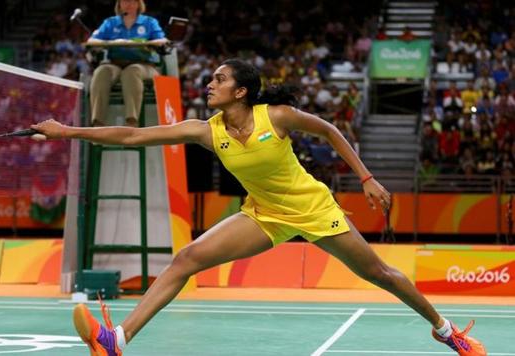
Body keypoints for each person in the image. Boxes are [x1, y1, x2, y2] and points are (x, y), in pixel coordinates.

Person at [32, 59, 487, 356]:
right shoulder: (206, 131)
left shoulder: (279, 117)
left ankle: (447, 331)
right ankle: (117, 341)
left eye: (219, 80)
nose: (210, 84)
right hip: (263, 214)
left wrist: (366, 177)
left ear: (242, 91)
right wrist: (67, 132)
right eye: (211, 79)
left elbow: (329, 130)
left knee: (380, 274)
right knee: (187, 258)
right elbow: (131, 136)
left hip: (313, 209)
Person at [85, 0, 169, 127]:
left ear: (138, 4)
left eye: (132, 1)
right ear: (119, 4)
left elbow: (163, 40)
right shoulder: (110, 23)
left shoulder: (149, 22)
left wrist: (148, 43)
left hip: (144, 65)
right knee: (101, 72)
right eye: (124, 1)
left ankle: (131, 121)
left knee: (131, 71)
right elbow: (92, 41)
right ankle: (97, 123)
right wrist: (112, 43)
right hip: (115, 64)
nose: (128, 4)